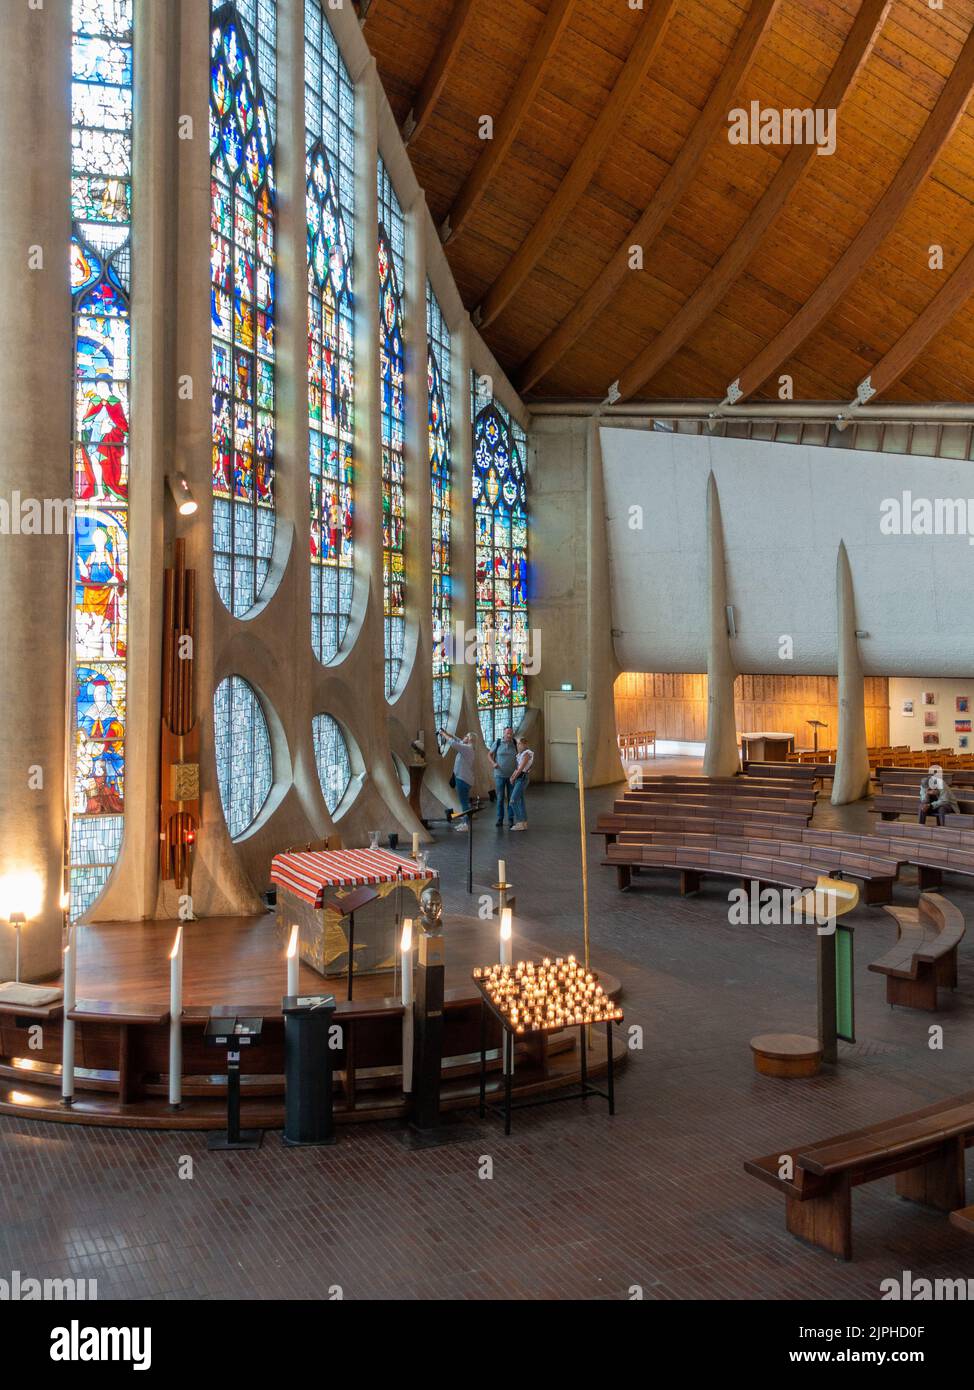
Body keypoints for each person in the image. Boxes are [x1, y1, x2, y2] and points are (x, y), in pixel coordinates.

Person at [439, 727, 475, 831]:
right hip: (462, 778)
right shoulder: (466, 747)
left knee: (464, 802)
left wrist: (442, 734)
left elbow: (453, 743)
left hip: (462, 779)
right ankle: (464, 822)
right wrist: (446, 733)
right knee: (463, 802)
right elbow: (456, 739)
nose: (464, 737)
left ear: (470, 740)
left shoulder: (467, 748)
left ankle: (466, 825)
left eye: (467, 736)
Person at [488, 725, 518, 828]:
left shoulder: (515, 743)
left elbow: (520, 756)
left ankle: (510, 819)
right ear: (504, 733)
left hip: (512, 776)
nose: (509, 735)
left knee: (511, 799)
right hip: (499, 775)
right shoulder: (497, 743)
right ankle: (500, 819)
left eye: (511, 733)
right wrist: (493, 764)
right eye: (507, 733)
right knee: (500, 798)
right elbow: (489, 754)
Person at [509, 738, 534, 831]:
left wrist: (514, 777)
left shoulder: (527, 753)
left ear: (525, 744)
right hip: (520, 777)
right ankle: (524, 822)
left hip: (522, 778)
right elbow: (517, 768)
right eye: (518, 743)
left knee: (513, 800)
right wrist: (512, 776)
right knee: (520, 801)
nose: (518, 745)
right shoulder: (520, 755)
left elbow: (521, 768)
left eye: (520, 743)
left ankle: (520, 822)